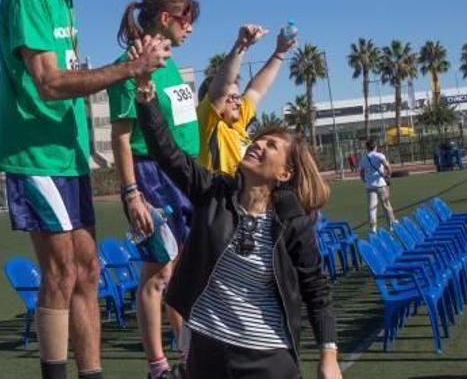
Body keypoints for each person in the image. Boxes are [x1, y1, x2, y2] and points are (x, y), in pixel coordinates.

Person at [0, 0, 170, 379]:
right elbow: (47, 81)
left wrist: (133, 63)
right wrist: (130, 67)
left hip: (69, 156)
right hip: (35, 155)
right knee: (62, 272)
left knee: (88, 270)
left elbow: (72, 76)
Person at [134, 73, 342, 379]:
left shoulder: (291, 220)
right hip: (207, 351)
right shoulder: (213, 192)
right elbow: (168, 153)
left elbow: (316, 288)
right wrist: (146, 95)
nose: (258, 144)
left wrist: (329, 354)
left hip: (267, 357)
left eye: (271, 146)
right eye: (259, 139)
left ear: (285, 174)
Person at [107, 0, 200, 378]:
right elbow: (122, 137)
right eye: (186, 20)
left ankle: (187, 357)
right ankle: (157, 366)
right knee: (159, 271)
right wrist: (132, 194)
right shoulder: (129, 65)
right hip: (151, 177)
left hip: (185, 175)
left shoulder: (173, 64)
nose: (191, 29)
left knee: (182, 271)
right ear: (165, 19)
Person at [196, 24, 295, 175]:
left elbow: (256, 90)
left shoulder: (238, 123)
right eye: (232, 97)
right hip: (226, 196)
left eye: (238, 96)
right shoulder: (208, 124)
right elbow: (220, 89)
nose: (239, 101)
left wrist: (280, 52)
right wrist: (242, 45)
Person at [359, 139, 397, 233]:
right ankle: (390, 225)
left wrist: (364, 180)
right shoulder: (379, 155)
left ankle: (373, 228)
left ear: (367, 148)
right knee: (386, 205)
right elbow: (387, 166)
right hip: (380, 184)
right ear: (375, 146)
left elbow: (361, 172)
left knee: (372, 208)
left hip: (369, 186)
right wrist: (388, 175)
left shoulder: (363, 158)